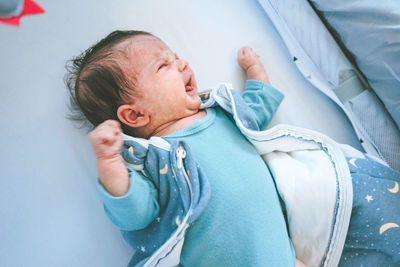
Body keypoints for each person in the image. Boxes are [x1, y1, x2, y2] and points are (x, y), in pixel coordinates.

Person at [66, 30, 400, 267]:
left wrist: (255, 74)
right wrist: (109, 162)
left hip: (286, 255)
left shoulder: (221, 111)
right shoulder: (153, 158)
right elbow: (137, 213)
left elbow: (256, 111)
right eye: (163, 65)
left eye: (177, 57)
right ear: (135, 114)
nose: (182, 64)